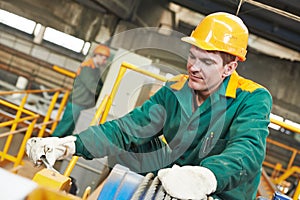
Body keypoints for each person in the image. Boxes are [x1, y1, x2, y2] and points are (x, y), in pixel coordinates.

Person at [26, 12, 272, 199]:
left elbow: (247, 150)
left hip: (219, 192)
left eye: (206, 62)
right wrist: (69, 144)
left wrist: (205, 177)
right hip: (176, 178)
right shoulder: (175, 89)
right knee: (127, 144)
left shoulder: (252, 97)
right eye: (192, 56)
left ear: (229, 68)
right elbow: (128, 128)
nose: (194, 67)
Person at [51, 44, 110, 137]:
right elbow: (93, 87)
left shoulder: (95, 69)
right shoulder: (87, 67)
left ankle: (58, 148)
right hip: (76, 103)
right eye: (104, 58)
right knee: (63, 129)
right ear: (97, 55)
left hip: (81, 103)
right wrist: (105, 91)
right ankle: (46, 146)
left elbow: (100, 84)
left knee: (68, 130)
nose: (105, 61)